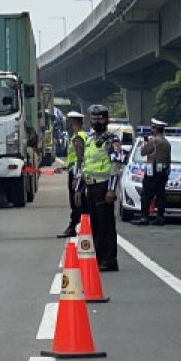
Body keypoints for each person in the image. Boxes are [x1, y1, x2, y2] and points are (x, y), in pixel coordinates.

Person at [77, 104, 125, 271]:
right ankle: (98, 258)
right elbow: (86, 166)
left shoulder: (112, 140)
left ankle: (109, 259)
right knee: (95, 224)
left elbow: (116, 164)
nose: (97, 121)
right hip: (91, 186)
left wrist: (112, 189)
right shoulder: (89, 140)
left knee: (106, 225)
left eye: (100, 118)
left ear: (106, 120)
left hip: (104, 187)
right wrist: (79, 188)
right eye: (94, 118)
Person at [133, 118, 172, 226]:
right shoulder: (166, 142)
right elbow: (169, 159)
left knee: (146, 193)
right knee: (160, 194)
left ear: (155, 129)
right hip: (163, 170)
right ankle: (160, 217)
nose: (151, 129)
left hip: (153, 170)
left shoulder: (154, 141)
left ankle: (144, 217)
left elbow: (143, 152)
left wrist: (145, 142)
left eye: (152, 127)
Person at [58, 110, 87, 238]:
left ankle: (74, 226)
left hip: (76, 174)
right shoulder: (82, 135)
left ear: (75, 122)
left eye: (71, 122)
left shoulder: (78, 138)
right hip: (74, 170)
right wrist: (66, 166)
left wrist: (76, 177)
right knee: (79, 201)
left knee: (76, 201)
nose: (70, 124)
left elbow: (80, 158)